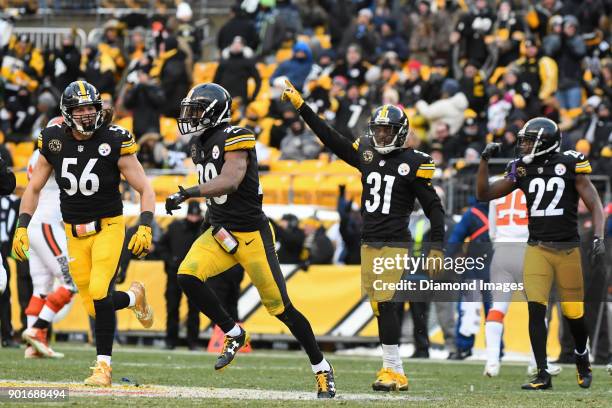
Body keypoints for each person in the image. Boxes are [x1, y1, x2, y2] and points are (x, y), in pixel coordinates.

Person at [164, 83, 335, 398]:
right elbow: (215, 196)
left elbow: (230, 180)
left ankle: (322, 369)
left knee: (282, 309)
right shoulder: (198, 143)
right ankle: (233, 332)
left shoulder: (236, 135)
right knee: (187, 275)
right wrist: (205, 221)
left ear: (215, 111)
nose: (193, 116)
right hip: (220, 231)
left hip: (252, 234)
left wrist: (187, 192)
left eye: (199, 109)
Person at [282, 80, 444, 392]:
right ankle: (394, 367)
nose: (381, 135)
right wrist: (303, 107)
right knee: (378, 305)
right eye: (378, 129)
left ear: (400, 131)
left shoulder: (414, 162)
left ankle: (393, 371)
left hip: (395, 242)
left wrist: (436, 247)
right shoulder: (367, 153)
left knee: (384, 302)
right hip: (368, 242)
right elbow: (331, 139)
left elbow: (434, 209)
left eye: (387, 130)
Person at [12, 81, 156, 387]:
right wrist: (22, 226)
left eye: (92, 107)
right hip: (72, 231)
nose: (88, 114)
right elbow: (33, 187)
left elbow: (144, 187)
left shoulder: (114, 138)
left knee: (101, 292)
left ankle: (103, 366)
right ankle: (133, 296)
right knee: (92, 303)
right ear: (67, 113)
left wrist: (145, 223)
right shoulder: (52, 139)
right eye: (81, 109)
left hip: (108, 226)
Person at [477, 117, 605, 390]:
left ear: (544, 142)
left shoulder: (570, 163)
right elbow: (485, 193)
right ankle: (542, 373)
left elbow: (594, 202)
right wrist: (484, 162)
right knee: (536, 311)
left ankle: (582, 358)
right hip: (536, 248)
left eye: (527, 140)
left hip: (567, 248)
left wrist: (599, 236)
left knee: (574, 314)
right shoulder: (522, 168)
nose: (522, 145)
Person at [483, 186, 562, 377]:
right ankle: (537, 362)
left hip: (501, 251)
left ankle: (492, 362)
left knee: (497, 308)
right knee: (537, 308)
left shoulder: (496, 187)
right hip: (526, 251)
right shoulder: (533, 185)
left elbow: (492, 231)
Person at [21, 117, 75, 360]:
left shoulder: (36, 153)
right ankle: (37, 330)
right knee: (70, 281)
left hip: (35, 222)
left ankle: (33, 347)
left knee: (40, 288)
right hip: (46, 222)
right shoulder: (56, 149)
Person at [157, 200, 204, 350]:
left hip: (196, 275)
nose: (194, 219)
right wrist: (170, 260)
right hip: (175, 274)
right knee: (172, 307)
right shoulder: (175, 227)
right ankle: (171, 340)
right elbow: (161, 246)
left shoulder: (204, 229)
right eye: (191, 215)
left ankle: (193, 342)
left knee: (194, 309)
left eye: (196, 216)